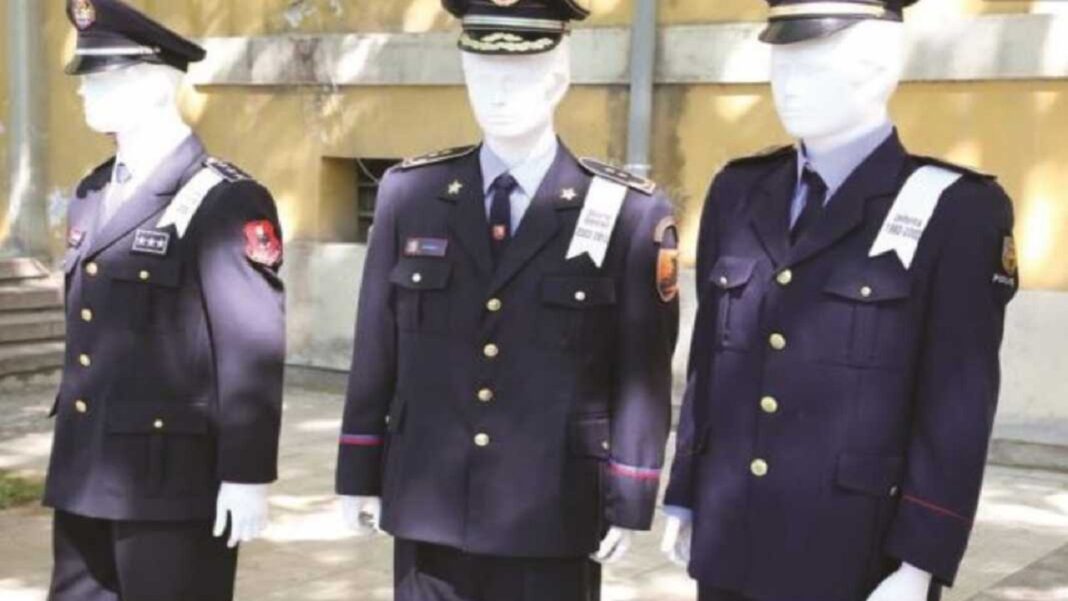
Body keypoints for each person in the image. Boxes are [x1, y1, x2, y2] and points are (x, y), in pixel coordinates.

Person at [661, 1, 1018, 600]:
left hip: (855, 554)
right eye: (782, 60)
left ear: (879, 67)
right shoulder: (739, 192)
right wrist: (687, 493)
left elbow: (957, 405)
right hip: (731, 542)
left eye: (814, 62)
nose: (788, 83)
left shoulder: (957, 211)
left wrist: (921, 560)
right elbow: (711, 363)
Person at [335, 1, 680, 599]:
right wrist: (359, 470)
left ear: (559, 79)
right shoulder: (410, 194)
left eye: (519, 74)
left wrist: (629, 494)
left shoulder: (629, 212)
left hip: (554, 505)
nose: (497, 92)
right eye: (482, 73)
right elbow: (376, 348)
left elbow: (641, 370)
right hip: (429, 501)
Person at [44, 1, 286, 599]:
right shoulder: (92, 192)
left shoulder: (224, 199)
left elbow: (250, 349)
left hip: (172, 479)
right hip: (85, 466)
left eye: (103, 77)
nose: (84, 92)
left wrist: (246, 475)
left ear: (156, 84)